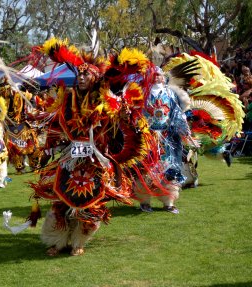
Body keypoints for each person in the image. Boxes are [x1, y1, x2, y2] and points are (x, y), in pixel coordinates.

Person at [28, 39, 160, 256]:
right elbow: (56, 125)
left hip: (97, 158)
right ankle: (58, 241)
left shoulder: (106, 101)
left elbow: (120, 122)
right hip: (71, 156)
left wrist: (126, 116)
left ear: (95, 77)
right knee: (60, 199)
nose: (80, 78)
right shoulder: (68, 99)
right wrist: (49, 147)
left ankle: (79, 241)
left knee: (91, 202)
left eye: (85, 75)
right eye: (78, 75)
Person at [134, 67, 194, 213]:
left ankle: (169, 202)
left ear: (164, 77)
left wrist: (185, 132)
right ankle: (145, 201)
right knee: (146, 170)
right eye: (153, 75)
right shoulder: (142, 94)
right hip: (148, 138)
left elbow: (178, 113)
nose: (157, 78)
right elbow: (135, 114)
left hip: (168, 139)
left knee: (170, 168)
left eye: (159, 75)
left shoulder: (170, 94)